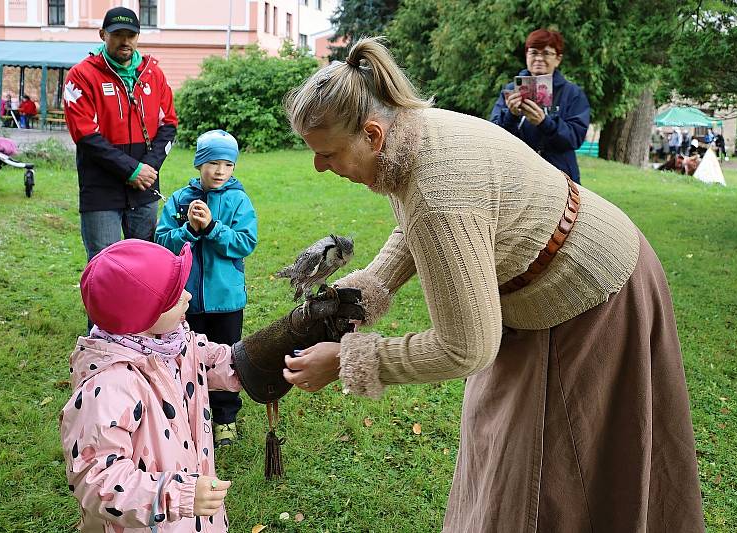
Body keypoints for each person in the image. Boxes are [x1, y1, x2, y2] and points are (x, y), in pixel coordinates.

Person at [282, 37, 704, 531]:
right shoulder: (410, 134)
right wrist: (370, 286)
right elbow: (413, 225)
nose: (318, 166)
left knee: (569, 473)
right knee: (503, 446)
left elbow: (466, 349)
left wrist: (348, 360)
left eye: (327, 154)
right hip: (546, 282)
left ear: (372, 136)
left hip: (598, 291)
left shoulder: (439, 190)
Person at [60, 239, 235, 532]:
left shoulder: (175, 341)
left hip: (192, 518)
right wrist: (178, 495)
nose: (188, 295)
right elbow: (98, 478)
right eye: (175, 296)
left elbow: (218, 361)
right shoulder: (109, 387)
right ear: (143, 314)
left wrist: (269, 356)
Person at [156, 130, 258, 447]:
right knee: (187, 356)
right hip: (186, 301)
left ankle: (225, 416)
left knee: (225, 359)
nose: (220, 171)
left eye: (227, 164)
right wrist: (190, 229)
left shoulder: (239, 201)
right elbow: (162, 243)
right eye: (213, 162)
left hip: (226, 301)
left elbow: (245, 243)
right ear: (200, 163)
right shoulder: (179, 200)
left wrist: (212, 228)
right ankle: (190, 412)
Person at [63, 6, 177, 265]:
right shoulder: (81, 76)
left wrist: (148, 167)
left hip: (144, 186)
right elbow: (86, 136)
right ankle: (104, 308)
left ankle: (144, 308)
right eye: (117, 34)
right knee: (106, 264)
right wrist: (131, 170)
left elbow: (168, 125)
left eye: (131, 34)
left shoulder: (153, 74)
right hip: (101, 187)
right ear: (103, 34)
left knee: (147, 261)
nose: (125, 41)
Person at [490, 29, 590, 184]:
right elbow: (493, 134)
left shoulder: (572, 94)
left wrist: (545, 123)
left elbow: (575, 138)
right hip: (517, 176)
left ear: (558, 59)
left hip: (559, 178)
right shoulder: (510, 90)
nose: (539, 58)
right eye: (534, 52)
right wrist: (511, 115)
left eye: (546, 53)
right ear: (526, 56)